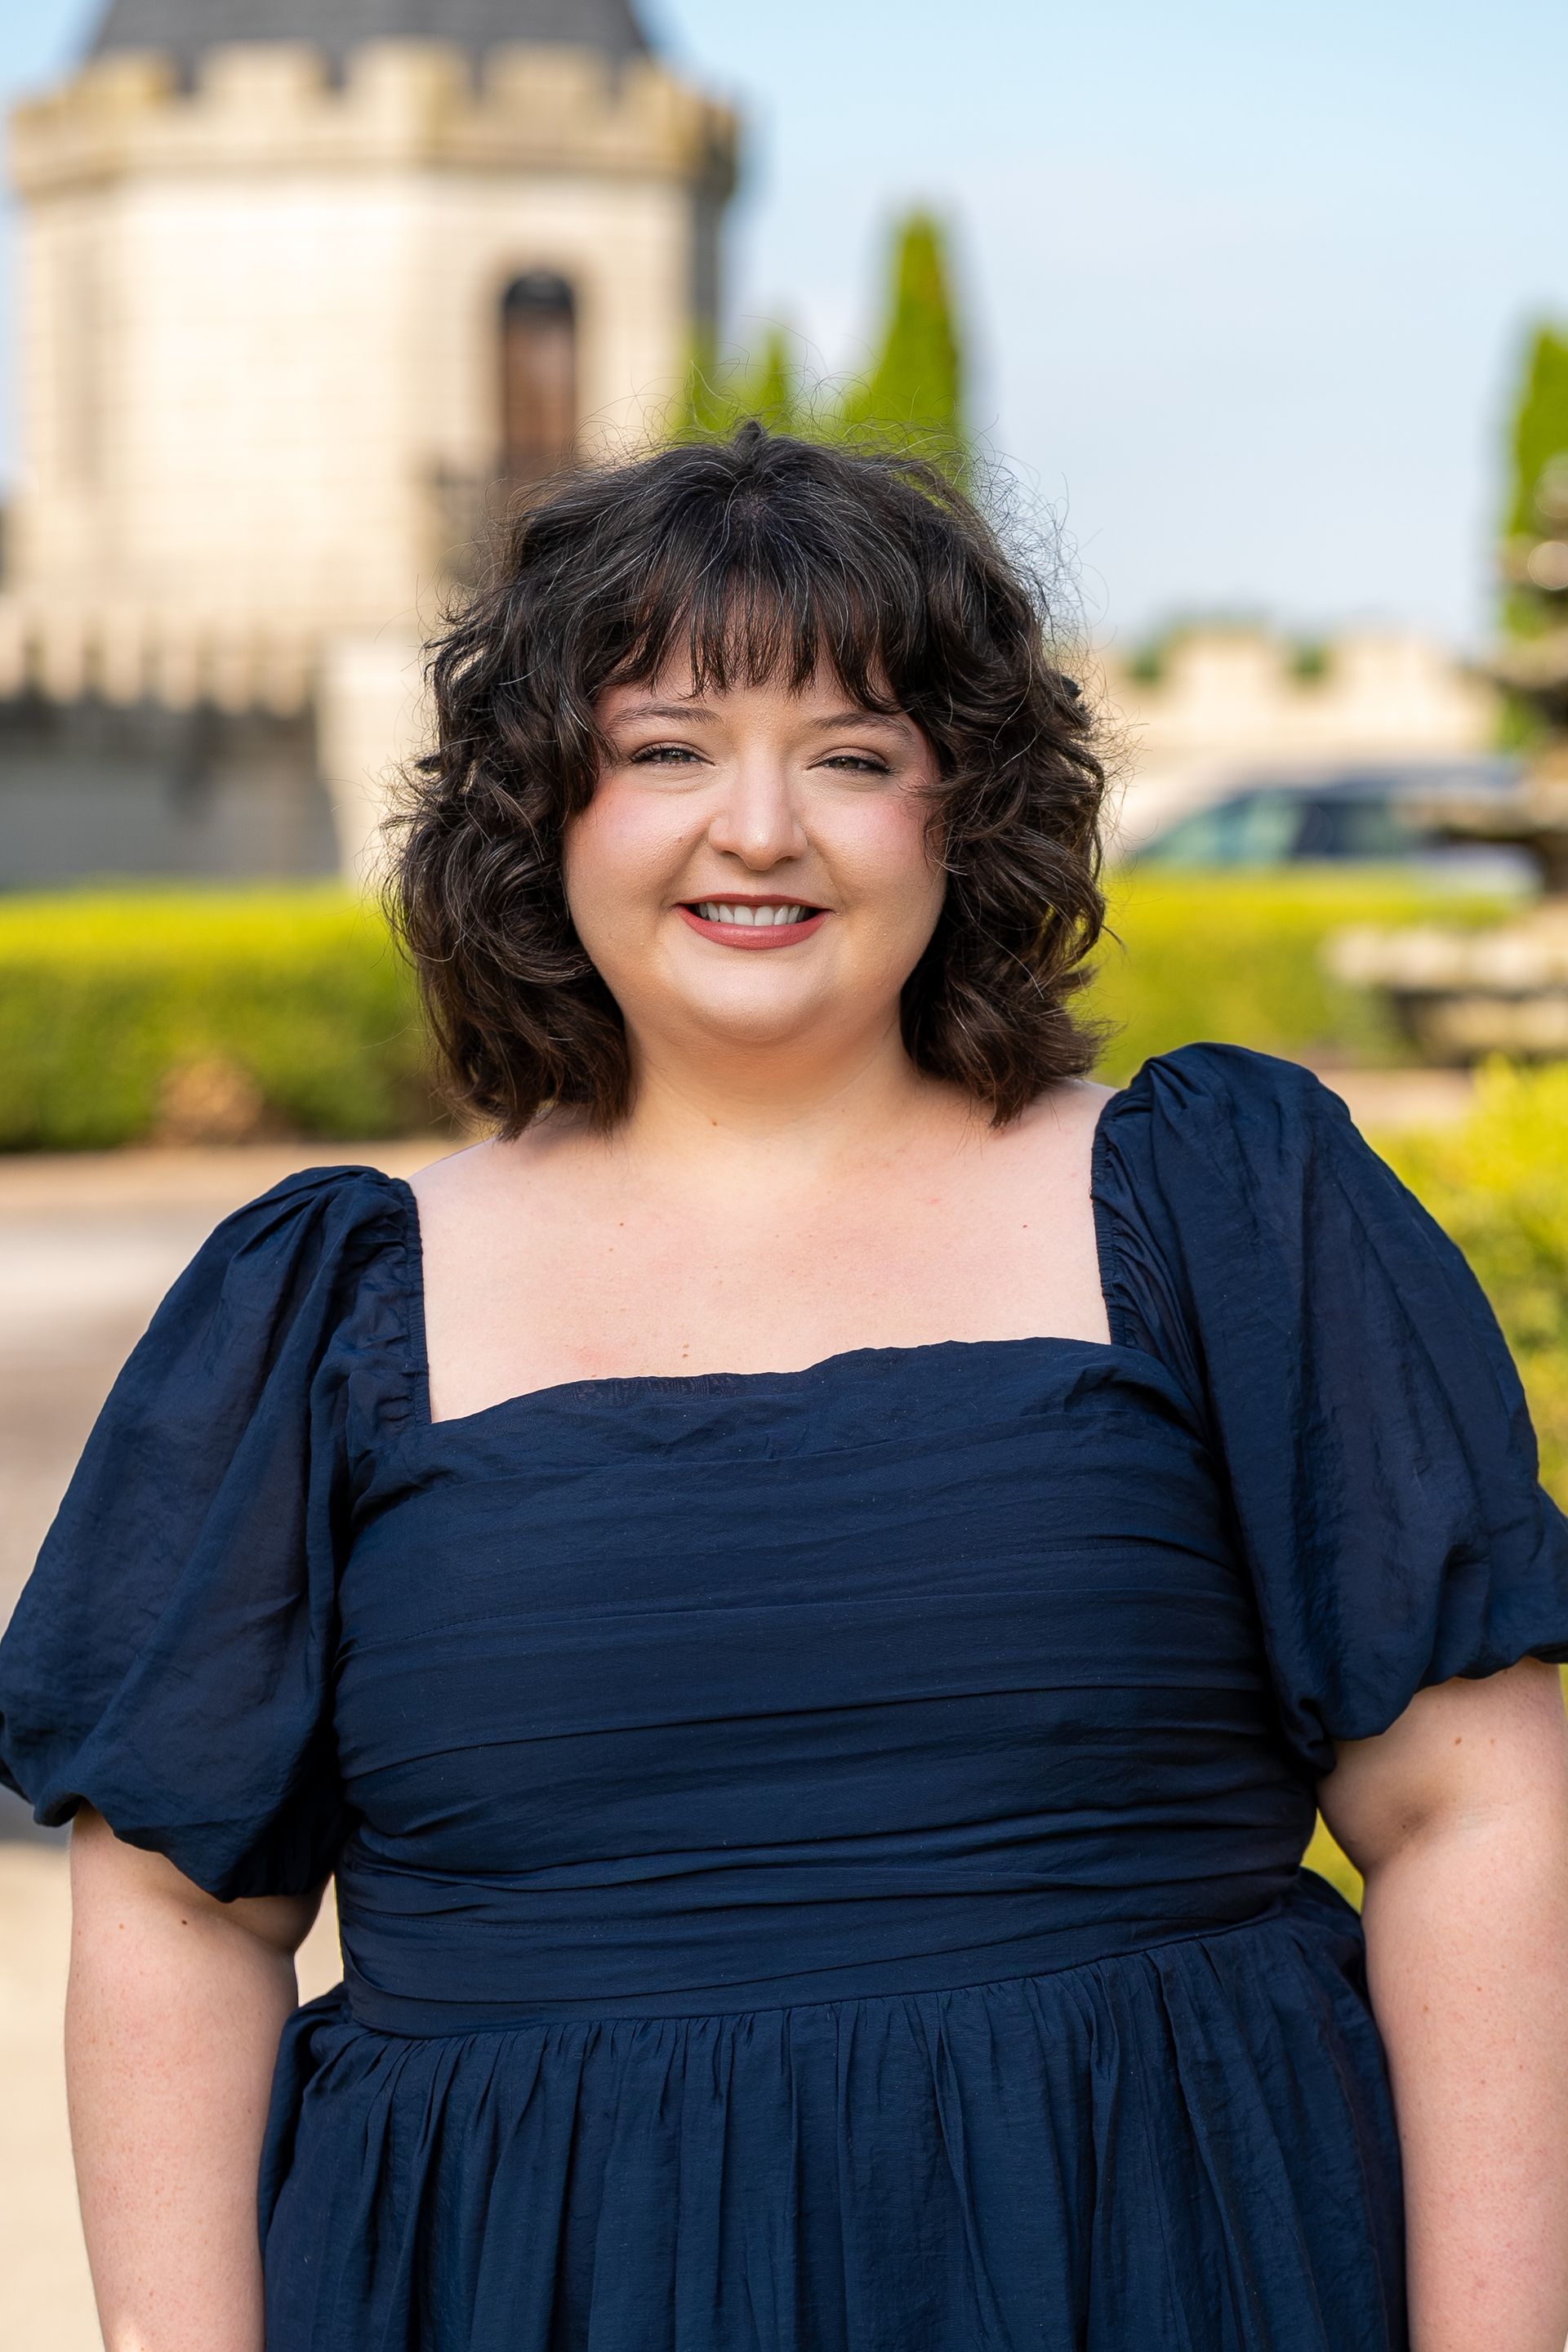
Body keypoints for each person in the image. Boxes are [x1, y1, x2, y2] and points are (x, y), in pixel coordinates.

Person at [2, 424, 1568, 2352]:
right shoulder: (320, 1308)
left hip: (1168, 2261)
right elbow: (177, 1927)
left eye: (853, 755)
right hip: (527, 2293)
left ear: (963, 813)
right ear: (540, 812)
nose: (760, 829)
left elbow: (1472, 1820)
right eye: (667, 750)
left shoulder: (1223, 1209)